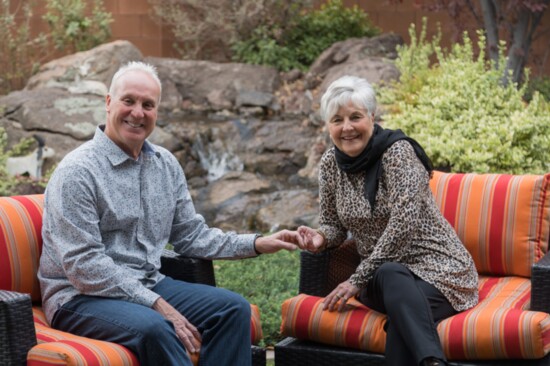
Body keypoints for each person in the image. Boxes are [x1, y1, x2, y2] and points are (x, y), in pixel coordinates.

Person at [38, 61, 303, 366]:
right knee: (155, 327)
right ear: (109, 103)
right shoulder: (77, 172)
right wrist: (156, 304)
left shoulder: (165, 165)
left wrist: (256, 243)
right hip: (79, 297)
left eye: (148, 105)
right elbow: (84, 266)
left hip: (148, 282)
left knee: (233, 309)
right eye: (129, 101)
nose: (138, 112)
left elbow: (190, 236)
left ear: (157, 112)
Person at [297, 75, 478, 366]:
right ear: (328, 125)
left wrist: (355, 280)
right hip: (380, 277)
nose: (347, 128)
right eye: (337, 120)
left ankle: (432, 361)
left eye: (355, 117)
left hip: (440, 271)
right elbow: (333, 224)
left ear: (372, 116)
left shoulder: (399, 153)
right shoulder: (331, 164)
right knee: (391, 272)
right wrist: (321, 239)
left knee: (401, 323)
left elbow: (402, 227)